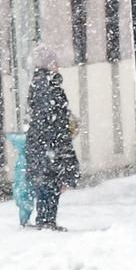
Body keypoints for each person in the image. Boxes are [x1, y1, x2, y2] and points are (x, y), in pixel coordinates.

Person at [24, 44, 79, 230]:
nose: (58, 65)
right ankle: (47, 221)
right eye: (55, 62)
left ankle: (46, 219)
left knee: (46, 182)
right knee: (50, 183)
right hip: (48, 143)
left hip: (43, 143)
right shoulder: (47, 86)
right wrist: (59, 135)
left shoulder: (40, 83)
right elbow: (50, 117)